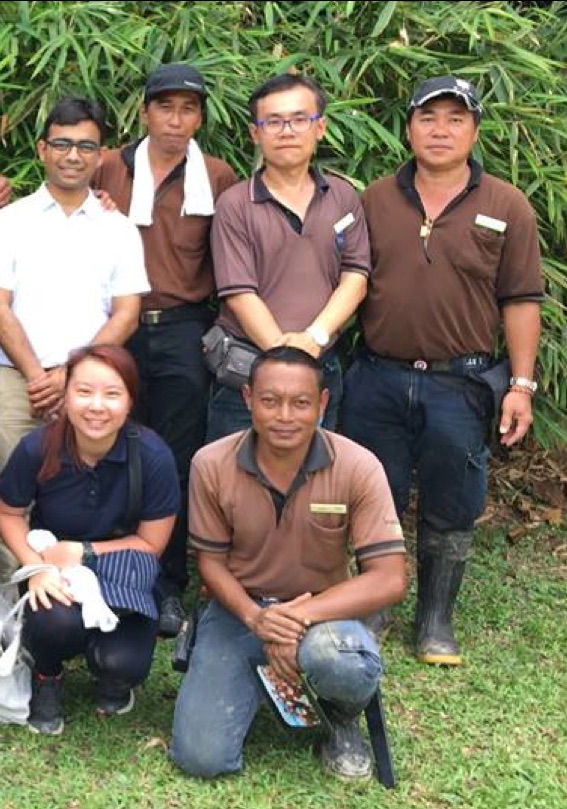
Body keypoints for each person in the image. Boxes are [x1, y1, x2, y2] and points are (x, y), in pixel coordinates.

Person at [340, 76, 544, 665]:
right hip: (378, 374)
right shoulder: (375, 199)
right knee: (371, 493)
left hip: (462, 381)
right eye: (429, 118)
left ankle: (434, 619)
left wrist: (522, 385)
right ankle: (371, 605)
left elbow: (522, 298)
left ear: (475, 131)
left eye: (456, 119)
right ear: (408, 127)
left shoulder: (507, 205)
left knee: (452, 501)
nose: (441, 129)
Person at [170, 347, 408, 781]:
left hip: (324, 611)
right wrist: (256, 618)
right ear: (247, 398)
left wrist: (295, 618)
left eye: (300, 403)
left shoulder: (357, 465)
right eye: (269, 400)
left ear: (322, 403)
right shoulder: (211, 464)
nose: (284, 415)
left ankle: (341, 717)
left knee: (340, 661)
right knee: (201, 757)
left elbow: (390, 579)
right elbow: (210, 563)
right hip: (240, 611)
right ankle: (257, 679)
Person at [0, 96, 149, 581]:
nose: (73, 156)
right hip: (19, 381)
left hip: (92, 386)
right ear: (42, 149)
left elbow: (128, 312)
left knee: (90, 494)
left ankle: (84, 591)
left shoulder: (119, 229)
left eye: (85, 146)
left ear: (101, 155)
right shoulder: (9, 221)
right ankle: (21, 606)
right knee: (13, 498)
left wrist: (69, 377)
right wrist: (40, 376)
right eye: (62, 144)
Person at [95, 64, 239, 636]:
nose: (176, 121)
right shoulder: (109, 165)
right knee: (109, 447)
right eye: (165, 108)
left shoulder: (219, 177)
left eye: (188, 110)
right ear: (145, 112)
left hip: (183, 327)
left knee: (175, 459)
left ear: (199, 117)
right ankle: (109, 571)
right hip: (115, 325)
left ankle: (167, 584)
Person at [0, 346, 180, 733]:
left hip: (124, 573)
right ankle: (47, 674)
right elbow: (9, 512)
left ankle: (109, 673)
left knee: (121, 665)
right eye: (84, 392)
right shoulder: (38, 447)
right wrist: (35, 566)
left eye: (112, 394)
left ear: (130, 400)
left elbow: (151, 545)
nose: (97, 406)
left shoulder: (153, 456)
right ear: (66, 396)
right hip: (56, 572)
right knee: (53, 621)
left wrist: (84, 552)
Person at [206, 73, 370, 441]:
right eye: (273, 122)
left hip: (322, 366)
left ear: (320, 127)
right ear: (255, 134)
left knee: (315, 484)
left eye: (299, 119)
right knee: (237, 486)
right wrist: (285, 360)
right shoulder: (235, 204)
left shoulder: (343, 197)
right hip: (248, 372)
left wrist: (314, 339)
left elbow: (356, 276)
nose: (287, 131)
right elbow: (239, 292)